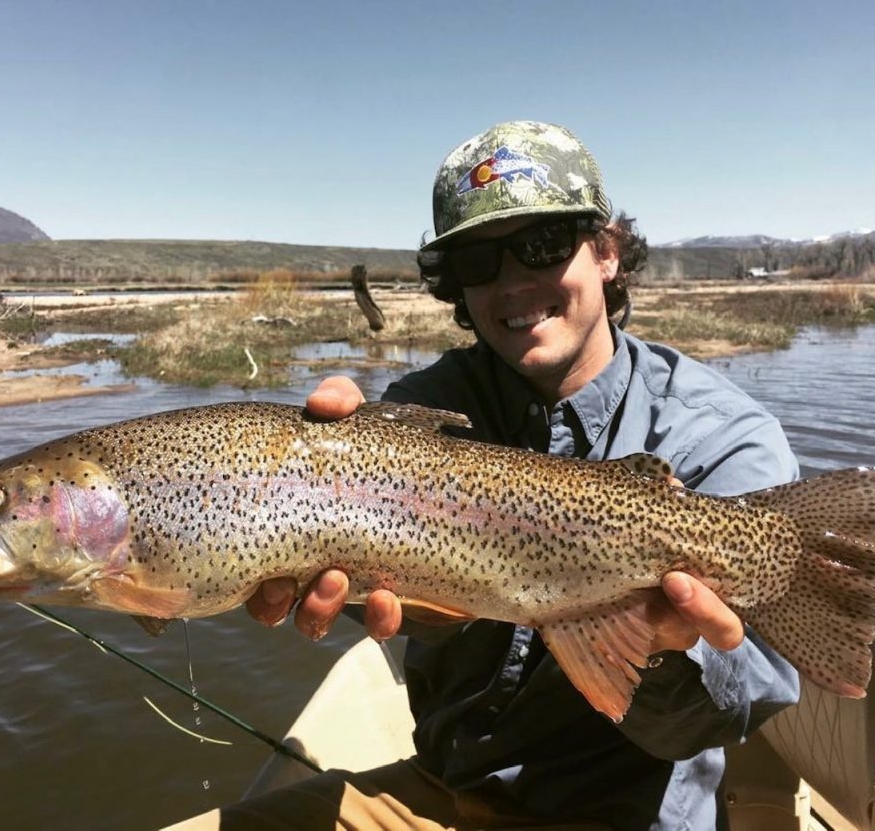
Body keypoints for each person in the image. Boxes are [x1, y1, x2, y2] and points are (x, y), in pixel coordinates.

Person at [234, 121, 801, 829]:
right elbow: (406, 610)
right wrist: (327, 549)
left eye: (541, 245)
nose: (512, 283)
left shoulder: (719, 435)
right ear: (455, 287)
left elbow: (743, 707)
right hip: (439, 793)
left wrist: (659, 651)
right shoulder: (418, 418)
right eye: (477, 261)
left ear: (606, 253)